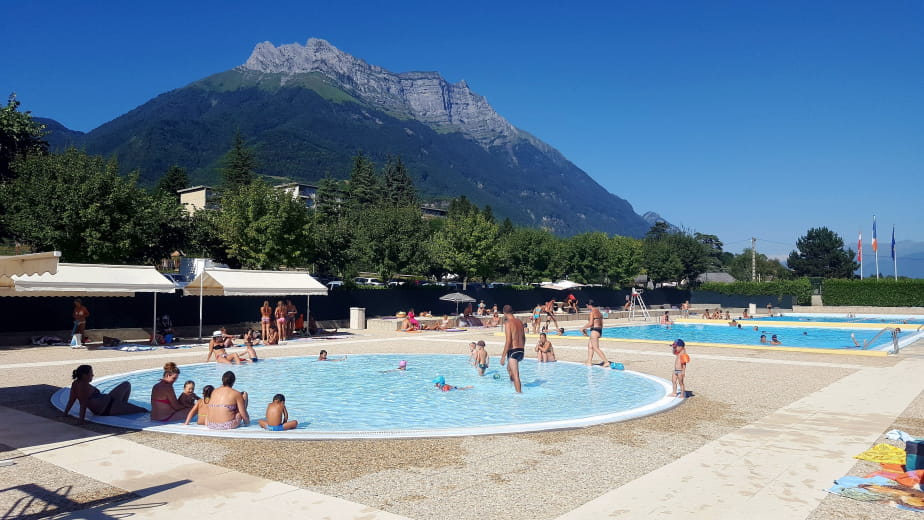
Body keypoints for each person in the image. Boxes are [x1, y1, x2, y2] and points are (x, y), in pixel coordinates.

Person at [64, 365, 147, 424]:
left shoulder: (76, 383)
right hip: (107, 408)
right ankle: (122, 406)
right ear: (84, 375)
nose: (93, 375)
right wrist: (81, 420)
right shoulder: (83, 386)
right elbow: (83, 404)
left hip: (109, 400)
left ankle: (123, 405)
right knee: (142, 410)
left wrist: (65, 414)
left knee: (126, 384)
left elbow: (71, 400)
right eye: (91, 373)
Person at [500, 304, 525, 393]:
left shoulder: (508, 323)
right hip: (521, 350)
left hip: (513, 351)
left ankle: (519, 395)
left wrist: (503, 356)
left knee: (516, 375)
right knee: (509, 368)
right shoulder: (519, 322)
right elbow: (523, 337)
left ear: (504, 313)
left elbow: (508, 341)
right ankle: (511, 385)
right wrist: (522, 348)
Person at [580, 300, 609, 366]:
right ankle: (589, 362)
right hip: (599, 330)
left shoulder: (592, 312)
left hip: (595, 331)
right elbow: (600, 323)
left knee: (595, 348)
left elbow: (590, 323)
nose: (587, 307)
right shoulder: (598, 311)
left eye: (587, 306)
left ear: (588, 305)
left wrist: (583, 328)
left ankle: (606, 361)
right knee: (590, 346)